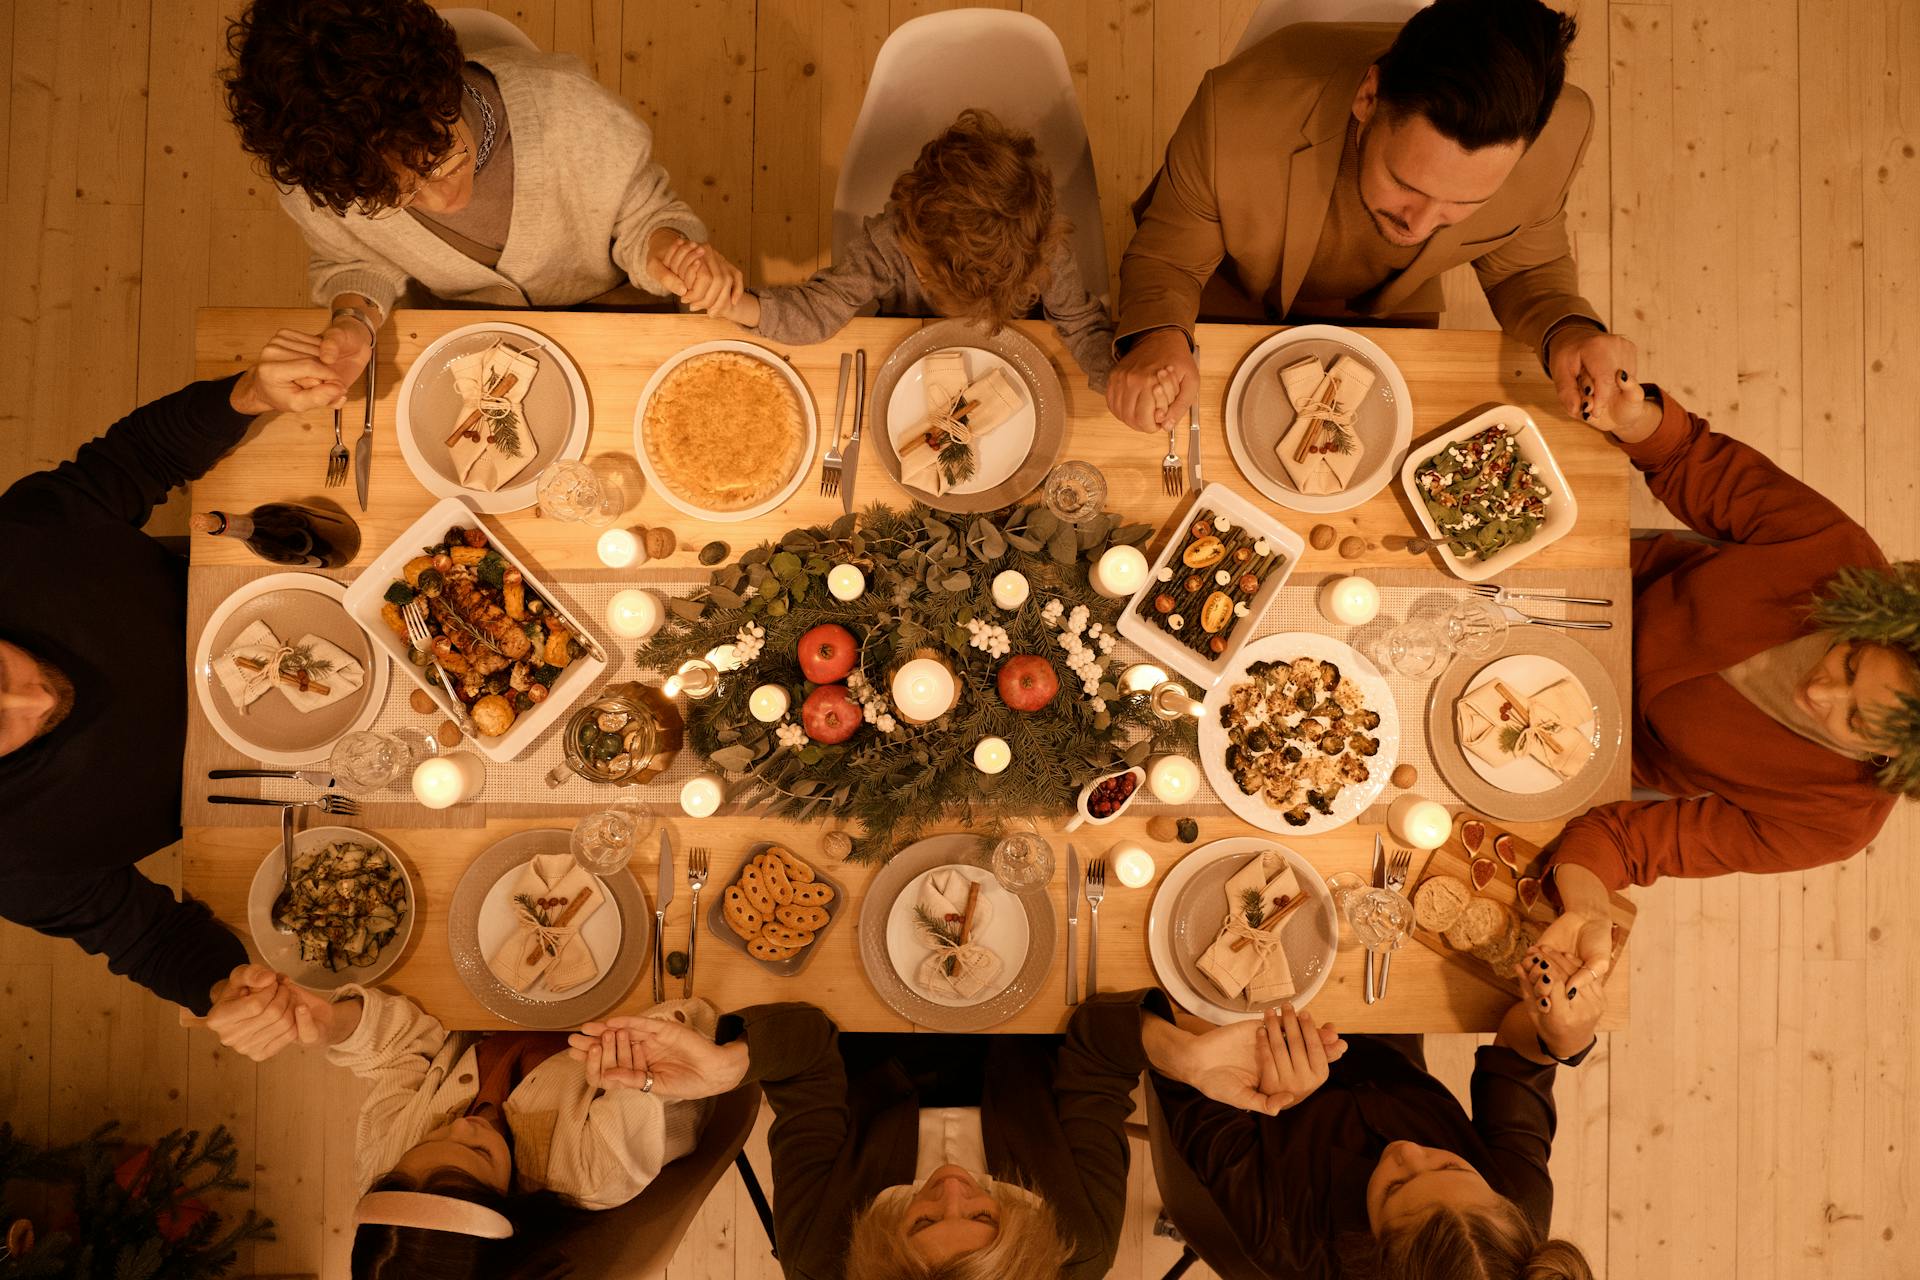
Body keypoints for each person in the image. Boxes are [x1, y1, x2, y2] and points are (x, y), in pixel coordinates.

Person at [0, 334, 350, 1016]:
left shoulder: (15, 547)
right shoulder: (14, 860)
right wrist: (222, 989)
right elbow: (149, 940)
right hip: (308, 776)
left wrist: (246, 395)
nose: (34, 695)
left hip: (284, 596)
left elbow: (135, 459)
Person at [1536, 375, 1918, 997]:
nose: (1820, 695)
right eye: (1849, 664)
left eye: (1852, 723)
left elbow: (1627, 843)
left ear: (1889, 759)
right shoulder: (1842, 560)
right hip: (1590, 593)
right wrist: (1636, 417)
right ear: (1878, 624)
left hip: (1575, 741)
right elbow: (1691, 458)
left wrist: (1586, 906)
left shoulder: (1835, 822)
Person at [1107, 0, 1634, 433]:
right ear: (1368, 96)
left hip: (1393, 318)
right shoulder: (1234, 113)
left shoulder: (1560, 132)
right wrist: (1158, 338)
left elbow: (1526, 269)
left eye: (1465, 203)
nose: (1421, 227)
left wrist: (1567, 330)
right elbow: (1170, 259)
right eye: (1406, 185)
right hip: (1225, 295)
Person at [566, 993, 1329, 1279]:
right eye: (989, 1216)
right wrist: (1184, 1057)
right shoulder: (1078, 1244)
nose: (954, 1188)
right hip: (1027, 1028)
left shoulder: (819, 1251)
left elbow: (807, 1055)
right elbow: (1096, 1055)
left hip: (865, 1037)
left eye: (922, 1219)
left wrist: (731, 1068)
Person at [222, 0, 741, 394]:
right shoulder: (328, 180)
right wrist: (355, 320)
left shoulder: (570, 109)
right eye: (398, 196)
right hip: (466, 338)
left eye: (440, 159)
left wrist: (669, 251)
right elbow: (353, 259)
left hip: (619, 311)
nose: (443, 200)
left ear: (445, 90)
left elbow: (646, 215)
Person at [197, 964, 717, 1275]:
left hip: (508, 1001)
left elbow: (402, 1052)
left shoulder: (388, 1168)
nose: (465, 1124)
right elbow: (688, 1023)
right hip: (639, 996)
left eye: (434, 1135)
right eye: (479, 1153)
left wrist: (331, 1024)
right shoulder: (596, 1169)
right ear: (508, 1201)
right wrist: (635, 1056)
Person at [1157, 980, 1598, 1278]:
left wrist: (1255, 1073)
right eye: (1452, 1167)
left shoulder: (1284, 1234)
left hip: (1227, 1029)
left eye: (1395, 1188)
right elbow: (1521, 1054)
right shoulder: (1514, 1215)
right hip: (1380, 1019)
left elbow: (1175, 1054)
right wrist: (1558, 1036)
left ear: (1372, 1253)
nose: (1408, 1151)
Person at [669, 109, 1114, 391]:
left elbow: (1080, 324)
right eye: (922, 273)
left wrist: (1115, 376)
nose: (919, 277)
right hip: (906, 358)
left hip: (1020, 366)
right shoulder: (890, 241)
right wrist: (734, 303)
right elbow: (819, 310)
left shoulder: (1044, 254)